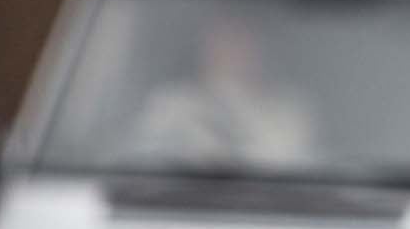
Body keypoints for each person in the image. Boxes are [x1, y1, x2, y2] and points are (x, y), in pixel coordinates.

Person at [122, 19, 320, 167]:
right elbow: (144, 160)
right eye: (220, 41)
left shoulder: (288, 110)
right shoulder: (171, 103)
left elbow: (290, 165)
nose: (229, 52)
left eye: (239, 41)